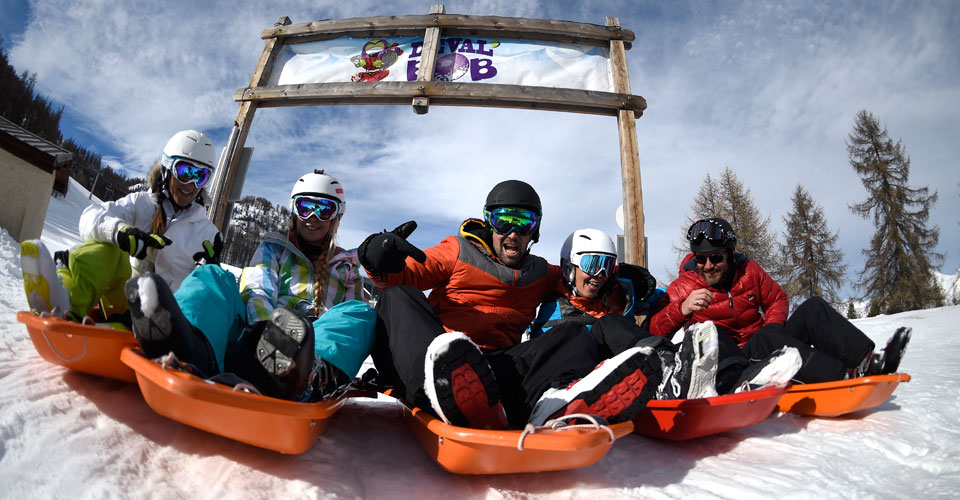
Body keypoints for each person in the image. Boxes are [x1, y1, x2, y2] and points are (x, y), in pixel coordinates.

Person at [359, 180, 667, 430]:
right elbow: (407, 273)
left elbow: (582, 283)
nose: (513, 232)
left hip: (495, 370)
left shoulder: (540, 272)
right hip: (437, 357)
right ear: (489, 222)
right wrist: (376, 255)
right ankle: (439, 388)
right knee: (396, 294)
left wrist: (621, 278)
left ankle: (552, 404)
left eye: (524, 223)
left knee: (574, 334)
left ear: (535, 230)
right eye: (503, 220)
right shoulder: (457, 251)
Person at [124, 170, 376, 402]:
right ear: (293, 210)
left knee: (361, 313)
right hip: (255, 342)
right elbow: (258, 288)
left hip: (308, 355)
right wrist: (265, 336)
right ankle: (189, 344)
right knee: (213, 274)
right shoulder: (274, 248)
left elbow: (350, 325)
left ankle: (309, 375)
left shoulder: (347, 266)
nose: (313, 217)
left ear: (337, 217)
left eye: (324, 210)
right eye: (306, 206)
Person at [530, 228, 801, 397]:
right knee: (603, 325)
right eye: (592, 263)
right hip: (589, 374)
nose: (599, 274)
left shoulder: (621, 292)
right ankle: (668, 371)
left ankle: (692, 374)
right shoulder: (552, 307)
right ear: (570, 266)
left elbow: (664, 305)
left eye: (607, 265)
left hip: (632, 368)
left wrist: (654, 292)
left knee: (614, 323)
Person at [649, 217, 911, 390]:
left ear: (729, 254)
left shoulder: (748, 271)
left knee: (813, 308)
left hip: (763, 343)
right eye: (701, 259)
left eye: (715, 258)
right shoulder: (683, 286)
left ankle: (867, 360)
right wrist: (682, 309)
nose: (708, 266)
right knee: (760, 337)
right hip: (732, 363)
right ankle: (842, 379)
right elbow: (654, 331)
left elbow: (776, 298)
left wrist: (773, 329)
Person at [20, 130, 221, 325]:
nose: (192, 184)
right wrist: (121, 233)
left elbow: (208, 294)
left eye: (201, 176)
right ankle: (65, 299)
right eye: (185, 172)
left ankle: (111, 330)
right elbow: (90, 217)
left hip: (167, 319)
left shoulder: (208, 234)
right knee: (109, 247)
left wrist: (210, 271)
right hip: (126, 301)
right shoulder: (142, 204)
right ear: (167, 168)